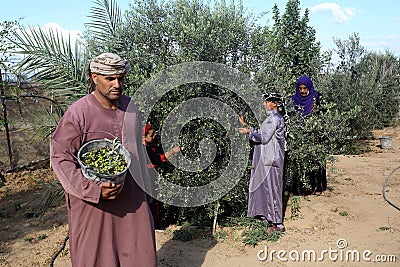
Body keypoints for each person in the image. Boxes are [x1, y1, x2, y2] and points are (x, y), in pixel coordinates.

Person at [50, 53, 157, 266]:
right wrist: (94, 189)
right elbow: (60, 157)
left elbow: (137, 150)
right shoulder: (78, 113)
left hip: (133, 198)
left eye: (121, 78)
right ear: (94, 77)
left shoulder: (131, 108)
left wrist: (148, 194)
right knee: (98, 258)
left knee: (140, 255)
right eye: (110, 79)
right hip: (93, 206)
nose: (117, 84)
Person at [238, 92, 286, 233]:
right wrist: (247, 126)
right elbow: (262, 133)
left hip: (272, 159)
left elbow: (263, 137)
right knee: (267, 188)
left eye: (267, 101)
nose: (264, 104)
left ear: (274, 103)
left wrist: (248, 131)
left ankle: (278, 225)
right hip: (268, 158)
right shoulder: (271, 118)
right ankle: (268, 217)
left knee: (274, 189)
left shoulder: (274, 118)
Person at [291, 75, 327, 195]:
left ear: (309, 87)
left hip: (314, 135)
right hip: (298, 135)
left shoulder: (316, 97)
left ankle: (317, 186)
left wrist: (317, 124)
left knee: (315, 160)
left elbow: (324, 113)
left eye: (305, 88)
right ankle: (301, 188)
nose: (302, 91)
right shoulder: (293, 99)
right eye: (300, 88)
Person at [143, 123, 180, 229]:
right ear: (143, 137)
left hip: (147, 178)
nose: (153, 137)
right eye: (151, 135)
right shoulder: (146, 150)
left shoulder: (144, 148)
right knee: (153, 202)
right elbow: (160, 159)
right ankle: (154, 224)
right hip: (149, 179)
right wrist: (173, 151)